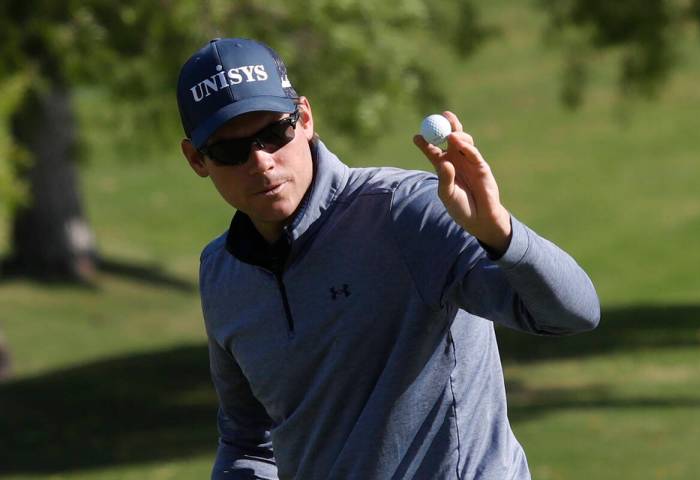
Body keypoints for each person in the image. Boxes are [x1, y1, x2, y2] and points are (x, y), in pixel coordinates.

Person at [177, 38, 600, 480]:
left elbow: (571, 314)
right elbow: (249, 441)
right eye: (230, 150)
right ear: (196, 160)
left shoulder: (407, 213)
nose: (261, 161)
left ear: (304, 119)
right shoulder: (222, 273)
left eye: (274, 133)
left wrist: (501, 233)